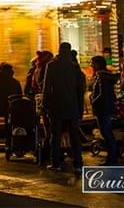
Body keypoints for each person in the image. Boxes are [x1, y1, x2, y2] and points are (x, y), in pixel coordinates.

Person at [42, 42, 85, 173]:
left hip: (56, 106)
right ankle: (78, 162)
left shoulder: (52, 66)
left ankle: (56, 162)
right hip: (72, 106)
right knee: (74, 136)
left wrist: (45, 104)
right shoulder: (74, 67)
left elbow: (47, 88)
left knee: (55, 136)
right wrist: (80, 108)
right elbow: (80, 89)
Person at [90, 55, 119, 166]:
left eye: (93, 63)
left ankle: (111, 159)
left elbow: (102, 94)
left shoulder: (102, 77)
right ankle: (112, 157)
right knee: (107, 133)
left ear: (98, 64)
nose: (91, 65)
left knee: (106, 133)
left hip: (103, 108)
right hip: (104, 108)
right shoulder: (103, 76)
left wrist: (94, 101)